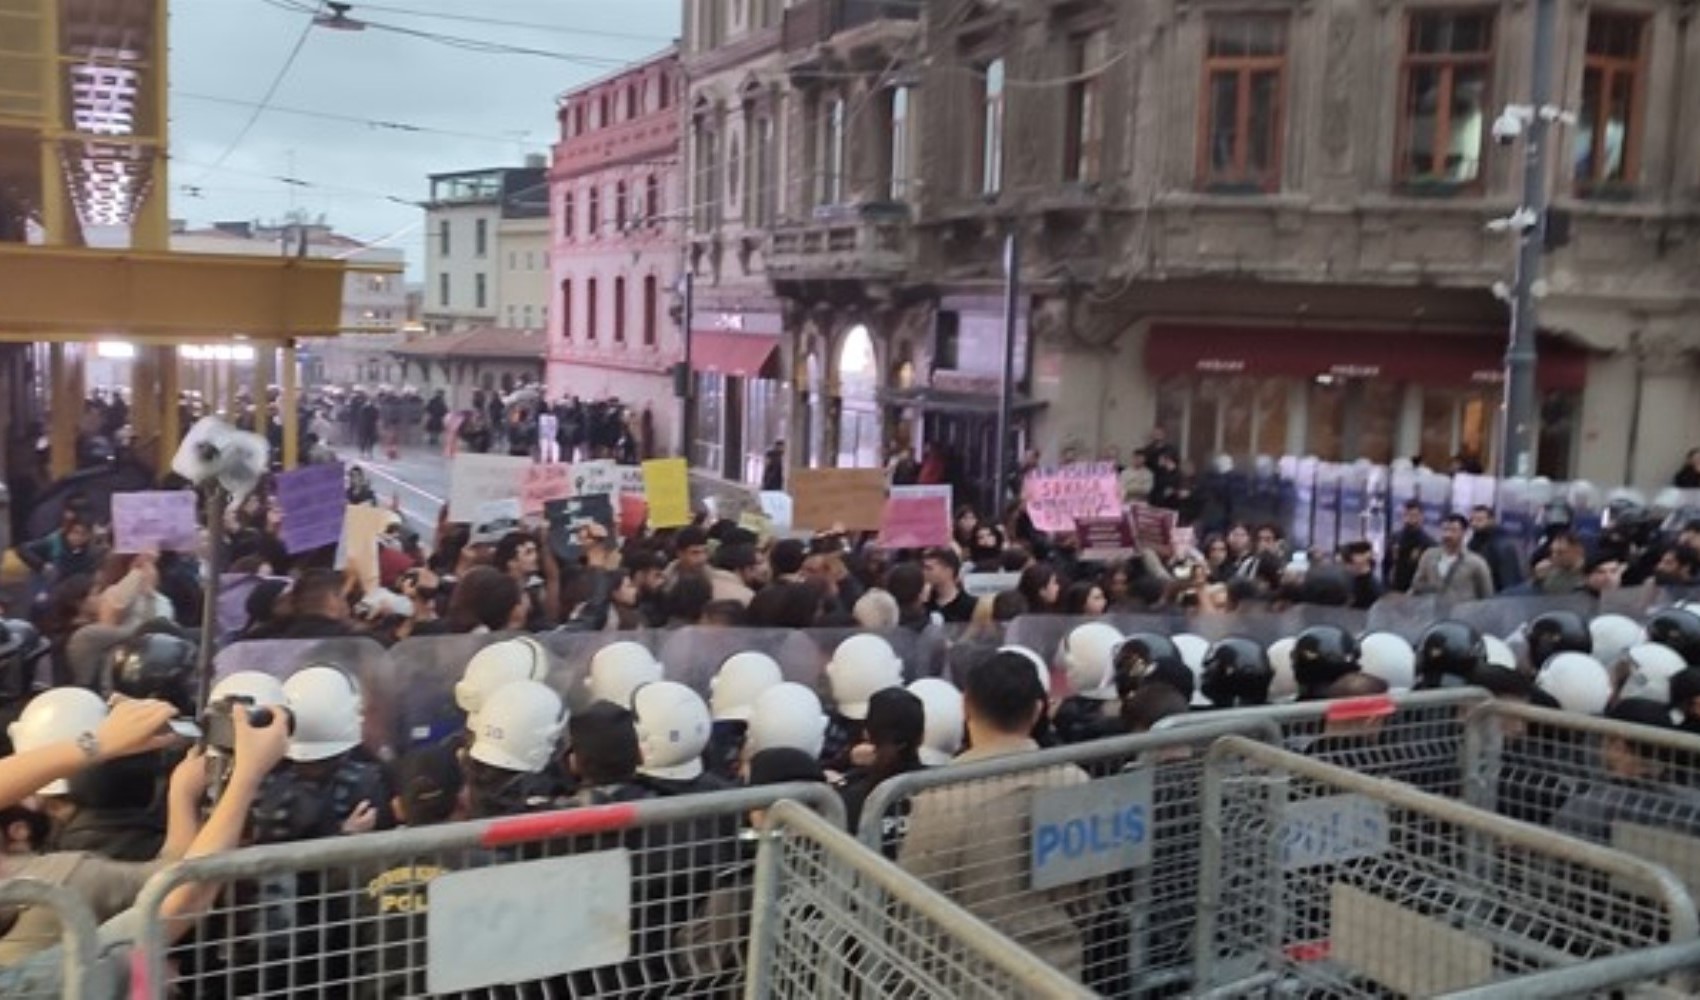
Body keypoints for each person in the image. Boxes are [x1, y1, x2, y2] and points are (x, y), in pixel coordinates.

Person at [898, 651, 1101, 980]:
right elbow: (1088, 898)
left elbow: (916, 907)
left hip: (969, 980)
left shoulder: (941, 796)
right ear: (1038, 709)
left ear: (965, 706)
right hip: (1058, 975)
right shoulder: (1075, 782)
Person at [1409, 514, 1494, 603]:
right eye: (1445, 530)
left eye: (1453, 530)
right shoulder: (1429, 556)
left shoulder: (1476, 562)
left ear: (1464, 532)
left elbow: (1487, 597)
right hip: (1432, 614)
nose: (1447, 535)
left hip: (1462, 615)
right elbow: (1416, 586)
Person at [1467, 505, 1524, 592]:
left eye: (1479, 520)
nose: (1474, 524)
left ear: (1491, 521)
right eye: (1472, 520)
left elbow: (1509, 580)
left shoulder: (1503, 545)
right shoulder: (1475, 542)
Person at [1386, 501, 1435, 593]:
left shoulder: (1429, 544)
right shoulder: (1395, 539)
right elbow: (1386, 564)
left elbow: (1431, 574)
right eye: (1406, 515)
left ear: (1421, 517)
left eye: (1414, 515)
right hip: (1395, 590)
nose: (1410, 519)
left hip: (1416, 593)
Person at [921, 547, 976, 624]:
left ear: (948, 571)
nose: (924, 572)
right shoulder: (924, 602)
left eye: (929, 568)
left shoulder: (970, 605)